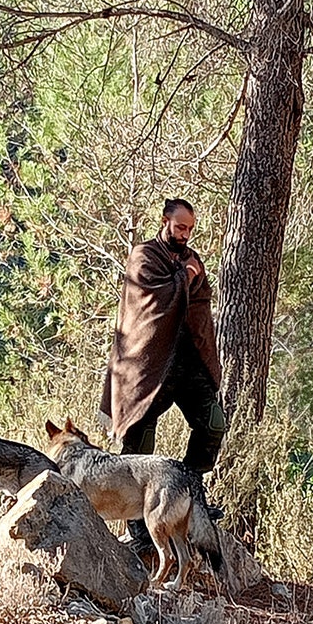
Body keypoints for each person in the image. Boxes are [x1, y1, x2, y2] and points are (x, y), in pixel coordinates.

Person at [99, 197, 225, 477]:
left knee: (213, 425)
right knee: (139, 442)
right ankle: (133, 517)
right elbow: (153, 302)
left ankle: (189, 486)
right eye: (180, 227)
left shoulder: (191, 258)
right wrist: (186, 276)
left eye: (190, 229)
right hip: (150, 363)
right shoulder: (144, 255)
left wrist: (187, 275)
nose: (185, 234)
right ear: (164, 221)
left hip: (189, 361)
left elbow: (200, 302)